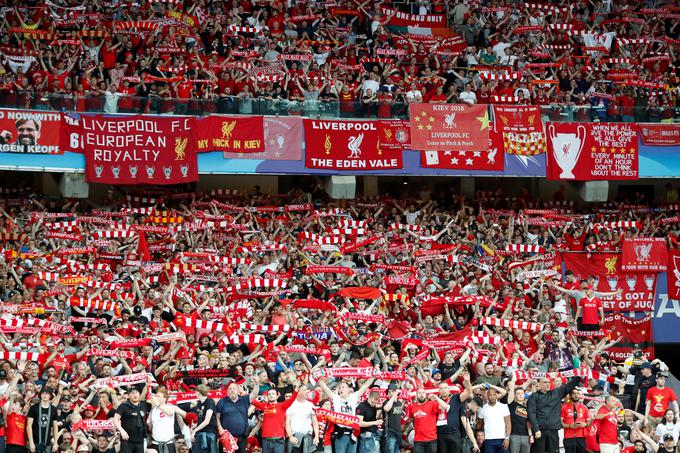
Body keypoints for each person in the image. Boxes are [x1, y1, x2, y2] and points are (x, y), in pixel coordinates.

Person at [318, 377, 375, 453]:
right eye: (339, 388)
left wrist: (374, 376)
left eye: (343, 387)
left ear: (349, 389)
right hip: (340, 434)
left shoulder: (354, 396)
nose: (341, 389)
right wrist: (318, 378)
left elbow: (365, 386)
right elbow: (325, 388)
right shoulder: (336, 398)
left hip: (352, 433)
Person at [527, 377, 582, 453]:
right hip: (540, 430)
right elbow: (531, 413)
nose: (547, 384)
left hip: (553, 430)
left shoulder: (556, 393)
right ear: (539, 384)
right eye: (545, 382)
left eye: (549, 382)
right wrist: (536, 429)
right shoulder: (533, 396)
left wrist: (579, 377)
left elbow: (568, 386)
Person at [216, 382, 259, 453]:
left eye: (234, 389)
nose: (232, 390)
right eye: (230, 389)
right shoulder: (222, 401)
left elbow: (254, 394)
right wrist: (220, 429)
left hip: (242, 437)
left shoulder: (244, 399)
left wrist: (257, 383)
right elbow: (217, 417)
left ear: (238, 390)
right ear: (227, 391)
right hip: (227, 437)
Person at [251, 388, 297, 453]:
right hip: (266, 440)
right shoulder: (264, 406)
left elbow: (292, 399)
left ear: (277, 395)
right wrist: (245, 393)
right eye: (269, 394)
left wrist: (297, 388)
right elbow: (252, 400)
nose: (271, 395)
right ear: (267, 396)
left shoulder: (282, 405)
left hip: (278, 440)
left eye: (273, 393)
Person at [113, 386, 152, 453]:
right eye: (132, 393)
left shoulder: (144, 405)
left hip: (140, 440)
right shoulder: (123, 406)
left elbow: (154, 403)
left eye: (136, 392)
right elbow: (115, 419)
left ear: (139, 394)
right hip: (127, 441)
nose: (134, 395)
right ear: (129, 395)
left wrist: (148, 385)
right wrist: (122, 431)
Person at [149, 389, 187, 453]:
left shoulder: (170, 406)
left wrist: (158, 404)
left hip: (168, 443)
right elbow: (150, 425)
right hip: (156, 443)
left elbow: (170, 413)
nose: (156, 397)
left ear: (164, 399)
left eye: (158, 396)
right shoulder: (153, 410)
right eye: (156, 396)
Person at [284, 384, 318, 453]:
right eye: (304, 390)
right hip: (294, 436)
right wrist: (290, 436)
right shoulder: (291, 404)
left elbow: (315, 422)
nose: (306, 392)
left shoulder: (310, 405)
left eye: (307, 390)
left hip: (307, 437)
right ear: (298, 391)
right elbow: (287, 422)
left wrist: (316, 436)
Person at [477, 388, 511, 453]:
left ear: (496, 396)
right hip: (488, 440)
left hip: (502, 439)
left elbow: (508, 423)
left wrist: (507, 438)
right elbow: (479, 424)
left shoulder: (504, 407)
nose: (492, 397)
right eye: (490, 395)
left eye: (494, 395)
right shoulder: (482, 408)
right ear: (487, 396)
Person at [27, 388, 57, 453]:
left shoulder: (53, 409)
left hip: (47, 443)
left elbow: (55, 427)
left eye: (47, 393)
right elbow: (29, 426)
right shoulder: (33, 408)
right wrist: (31, 442)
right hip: (35, 442)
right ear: (40, 395)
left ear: (50, 396)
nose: (44, 395)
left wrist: (55, 442)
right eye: (43, 393)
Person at [560, 388, 590, 453]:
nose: (576, 395)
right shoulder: (564, 407)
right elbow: (560, 423)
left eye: (577, 393)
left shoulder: (584, 407)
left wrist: (585, 424)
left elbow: (589, 422)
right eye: (574, 393)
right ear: (570, 395)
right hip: (568, 437)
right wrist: (569, 426)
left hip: (581, 437)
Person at [192, 385, 218, 453]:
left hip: (209, 432)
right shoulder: (199, 404)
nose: (195, 393)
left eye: (195, 392)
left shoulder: (209, 401)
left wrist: (194, 430)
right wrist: (194, 427)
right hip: (200, 433)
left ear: (198, 392)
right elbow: (200, 419)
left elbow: (207, 421)